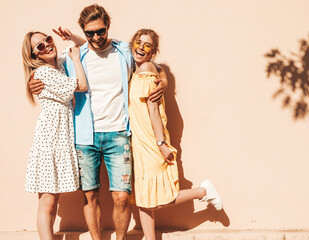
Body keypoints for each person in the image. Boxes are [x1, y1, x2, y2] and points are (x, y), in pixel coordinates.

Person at [29, 4, 168, 240]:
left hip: (120, 133)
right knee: (90, 196)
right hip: (85, 137)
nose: (96, 37)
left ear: (108, 26)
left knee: (122, 197)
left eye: (100, 31)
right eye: (89, 33)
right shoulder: (74, 57)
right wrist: (30, 84)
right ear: (83, 31)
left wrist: (162, 78)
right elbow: (45, 69)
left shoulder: (124, 50)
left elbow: (149, 60)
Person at [128, 29, 223, 240]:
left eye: (147, 45)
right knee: (144, 198)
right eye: (138, 42)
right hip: (139, 143)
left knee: (158, 198)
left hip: (152, 143)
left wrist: (161, 143)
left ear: (153, 51)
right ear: (131, 43)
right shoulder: (138, 70)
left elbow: (153, 110)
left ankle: (203, 192)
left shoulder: (146, 70)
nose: (141, 48)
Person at [22, 31, 87, 240]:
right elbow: (81, 85)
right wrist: (76, 60)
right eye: (39, 46)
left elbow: (83, 45)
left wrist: (72, 37)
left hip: (60, 136)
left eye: (48, 40)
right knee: (47, 201)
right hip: (51, 138)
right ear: (34, 56)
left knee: (52, 200)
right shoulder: (44, 73)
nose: (47, 46)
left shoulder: (57, 65)